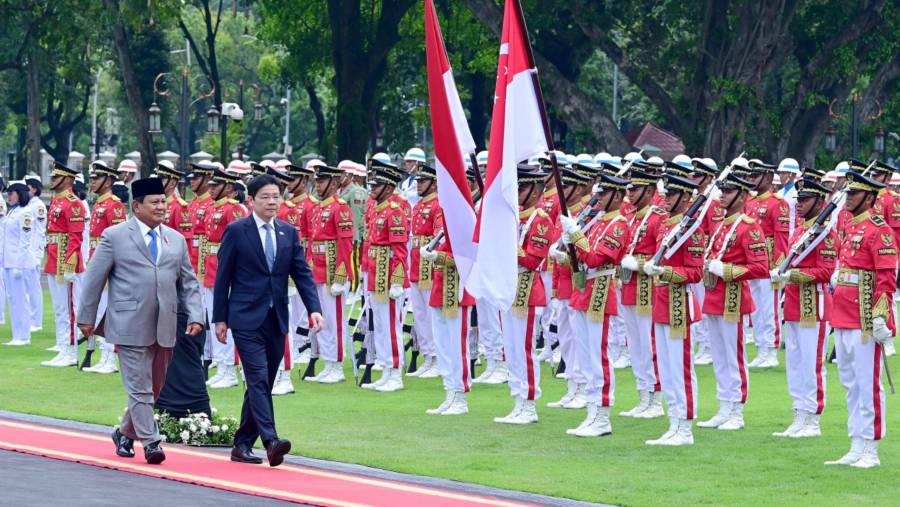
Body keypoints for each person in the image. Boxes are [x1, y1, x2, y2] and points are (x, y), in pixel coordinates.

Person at [76, 177, 205, 465]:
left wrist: (197, 314)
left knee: (155, 388)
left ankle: (124, 432)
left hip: (166, 324)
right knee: (140, 388)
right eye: (155, 202)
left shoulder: (176, 239)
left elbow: (189, 283)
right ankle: (151, 442)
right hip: (128, 322)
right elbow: (94, 280)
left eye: (163, 201)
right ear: (136, 205)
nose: (162, 207)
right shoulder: (115, 236)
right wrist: (86, 318)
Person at [212, 174, 324, 467]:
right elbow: (222, 276)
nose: (272, 202)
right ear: (251, 200)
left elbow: (301, 273)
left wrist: (314, 308)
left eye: (276, 196)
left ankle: (242, 444)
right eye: (265, 196)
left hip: (276, 317)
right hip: (245, 316)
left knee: (262, 382)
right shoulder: (237, 231)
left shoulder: (288, 232)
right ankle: (271, 440)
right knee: (258, 377)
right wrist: (220, 318)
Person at [825, 169, 895, 468]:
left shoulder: (880, 229)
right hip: (842, 313)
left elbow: (886, 278)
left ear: (869, 196)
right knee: (850, 383)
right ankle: (856, 442)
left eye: (853, 193)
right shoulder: (850, 225)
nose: (847, 196)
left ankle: (871, 447)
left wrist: (881, 316)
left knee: (868, 384)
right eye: (848, 192)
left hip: (865, 317)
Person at [560, 171, 629, 436]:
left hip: (599, 291)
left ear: (617, 195)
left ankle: (602, 415)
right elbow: (581, 256)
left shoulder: (619, 224)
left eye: (604, 194)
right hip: (583, 291)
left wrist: (576, 236)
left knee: (599, 357)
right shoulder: (599, 222)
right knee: (585, 356)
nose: (597, 198)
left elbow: (596, 259)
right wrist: (568, 246)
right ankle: (591, 411)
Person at [697, 172, 769, 431]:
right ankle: (724, 405)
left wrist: (726, 270)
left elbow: (761, 267)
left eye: (728, 192)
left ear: (742, 195)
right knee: (718, 355)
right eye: (722, 191)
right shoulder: (723, 225)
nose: (722, 195)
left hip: (733, 297)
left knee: (733, 355)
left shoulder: (749, 226)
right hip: (714, 296)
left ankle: (737, 409)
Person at [769, 176, 837, 439]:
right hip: (795, 303)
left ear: (819, 202)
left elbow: (826, 271)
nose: (799, 204)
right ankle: (799, 413)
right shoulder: (800, 231)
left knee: (812, 364)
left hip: (815, 305)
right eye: (799, 199)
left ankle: (813, 418)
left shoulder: (825, 233)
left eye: (806, 199)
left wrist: (792, 275)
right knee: (795, 363)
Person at [642, 175, 706, 446]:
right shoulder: (667, 227)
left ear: (684, 198)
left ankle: (685, 425)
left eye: (671, 195)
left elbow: (695, 272)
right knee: (666, 368)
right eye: (666, 194)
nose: (665, 199)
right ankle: (674, 421)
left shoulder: (692, 230)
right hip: (661, 300)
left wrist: (665, 271)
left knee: (680, 367)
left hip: (678, 302)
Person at [493, 164, 554, 425]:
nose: (516, 192)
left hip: (527, 289)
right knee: (512, 348)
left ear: (533, 190)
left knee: (525, 348)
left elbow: (532, 260)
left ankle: (529, 403)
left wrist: (508, 244)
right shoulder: (513, 217)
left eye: (521, 187)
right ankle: (517, 398)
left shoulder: (540, 220)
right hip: (509, 287)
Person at [616, 168, 665, 419]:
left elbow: (661, 258)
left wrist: (638, 262)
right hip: (628, 287)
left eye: (635, 189)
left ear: (648, 191)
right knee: (635, 345)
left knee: (649, 345)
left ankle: (655, 399)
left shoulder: (657, 219)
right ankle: (643, 395)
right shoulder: (632, 218)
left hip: (647, 289)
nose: (630, 193)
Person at [360, 157, 411, 392]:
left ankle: (395, 373)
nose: (372, 188)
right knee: (380, 325)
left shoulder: (395, 212)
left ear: (389, 187)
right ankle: (385, 368)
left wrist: (398, 281)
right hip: (375, 273)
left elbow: (400, 251)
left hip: (388, 276)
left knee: (390, 325)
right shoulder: (377, 210)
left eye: (377, 185)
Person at [305, 164, 354, 384]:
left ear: (334, 183)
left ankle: (337, 365)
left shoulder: (340, 207)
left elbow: (346, 244)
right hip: (317, 268)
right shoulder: (317, 207)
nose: (318, 184)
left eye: (322, 181)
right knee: (321, 320)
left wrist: (341, 275)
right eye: (317, 181)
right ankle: (328, 362)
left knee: (335, 321)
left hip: (333, 269)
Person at [202, 169, 248, 388]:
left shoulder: (235, 209)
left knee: (226, 319)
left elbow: (241, 240)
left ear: (229, 187)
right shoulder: (213, 208)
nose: (210, 188)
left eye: (215, 185)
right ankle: (221, 365)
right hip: (212, 265)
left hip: (226, 265)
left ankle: (229, 368)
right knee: (215, 317)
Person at [743, 159, 790, 369]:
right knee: (756, 309)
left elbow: (781, 237)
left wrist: (778, 266)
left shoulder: (777, 203)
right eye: (751, 175)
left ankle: (770, 350)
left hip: (770, 262)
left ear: (769, 178)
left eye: (756, 175)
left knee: (769, 309)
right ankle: (761, 349)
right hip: (753, 262)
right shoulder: (751, 203)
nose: (752, 179)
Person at [82, 162, 127, 373]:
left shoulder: (114, 205)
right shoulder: (99, 204)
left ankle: (109, 357)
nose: (92, 182)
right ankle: (104, 355)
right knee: (99, 309)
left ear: (108, 181)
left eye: (96, 178)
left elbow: (119, 238)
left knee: (107, 311)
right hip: (96, 259)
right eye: (91, 178)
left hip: (109, 263)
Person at [41, 161, 87, 368]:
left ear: (67, 179)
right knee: (60, 308)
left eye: (56, 176)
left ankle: (71, 351)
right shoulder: (57, 200)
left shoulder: (72, 202)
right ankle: (62, 347)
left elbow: (75, 237)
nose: (52, 180)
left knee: (69, 308)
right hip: (53, 255)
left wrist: (70, 264)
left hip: (63, 258)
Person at [407, 164, 441, 378]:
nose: (419, 185)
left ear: (434, 183)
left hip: (429, 263)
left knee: (431, 315)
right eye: (418, 181)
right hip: (417, 262)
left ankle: (437, 356)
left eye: (423, 181)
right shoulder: (418, 206)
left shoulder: (438, 205)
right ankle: (428, 355)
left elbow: (438, 235)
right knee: (419, 314)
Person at [2, 180, 35, 346]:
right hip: (8, 261)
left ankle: (24, 336)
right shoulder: (12, 212)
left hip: (19, 263)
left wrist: (19, 265)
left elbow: (25, 240)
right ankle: (17, 335)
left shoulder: (26, 213)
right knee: (12, 299)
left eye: (11, 193)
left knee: (21, 299)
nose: (8, 196)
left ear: (20, 194)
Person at [24, 174, 46, 333]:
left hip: (34, 250)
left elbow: (39, 231)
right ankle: (30, 318)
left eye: (28, 187)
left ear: (35, 189)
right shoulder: (28, 205)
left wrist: (37, 253)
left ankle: (36, 321)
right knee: (27, 287)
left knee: (34, 287)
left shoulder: (37, 205)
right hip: (28, 251)